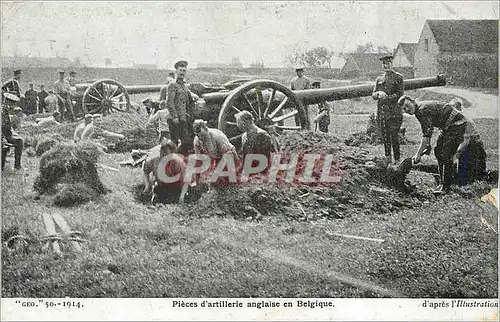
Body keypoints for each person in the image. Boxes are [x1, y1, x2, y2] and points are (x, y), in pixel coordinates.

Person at [398, 95, 487, 194]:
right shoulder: (420, 109)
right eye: (404, 109)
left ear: (412, 101)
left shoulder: (422, 111)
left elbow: (426, 136)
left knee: (445, 154)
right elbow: (428, 131)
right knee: (438, 151)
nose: (407, 109)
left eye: (407, 105)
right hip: (448, 127)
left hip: (458, 124)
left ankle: (446, 188)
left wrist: (418, 155)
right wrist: (427, 146)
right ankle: (442, 184)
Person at [372, 55, 404, 164]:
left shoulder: (398, 77)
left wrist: (387, 97)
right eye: (384, 64)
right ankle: (388, 158)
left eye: (388, 63)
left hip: (394, 112)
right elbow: (373, 94)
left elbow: (400, 94)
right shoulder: (379, 79)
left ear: (392, 63)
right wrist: (377, 94)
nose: (386, 65)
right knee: (385, 136)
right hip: (382, 113)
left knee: (394, 136)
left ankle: (397, 159)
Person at [142, 139, 188, 204]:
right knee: (156, 200)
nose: (164, 155)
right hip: (161, 185)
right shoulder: (154, 159)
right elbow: (145, 170)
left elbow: (186, 181)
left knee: (172, 200)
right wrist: (147, 185)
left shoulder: (178, 162)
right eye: (162, 152)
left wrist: (182, 197)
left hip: (176, 186)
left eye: (166, 154)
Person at [166, 60, 196, 154]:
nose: (182, 72)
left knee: (186, 142)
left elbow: (188, 101)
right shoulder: (172, 85)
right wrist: (174, 116)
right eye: (180, 70)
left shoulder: (184, 85)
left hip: (183, 118)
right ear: (176, 71)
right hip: (174, 119)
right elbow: (169, 102)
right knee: (174, 142)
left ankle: (182, 162)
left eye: (184, 70)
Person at [2, 102, 23, 170]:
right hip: (4, 136)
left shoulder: (5, 113)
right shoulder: (3, 113)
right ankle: (17, 165)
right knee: (19, 141)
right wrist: (3, 138)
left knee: (19, 140)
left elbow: (8, 127)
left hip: (7, 134)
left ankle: (17, 165)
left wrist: (14, 133)